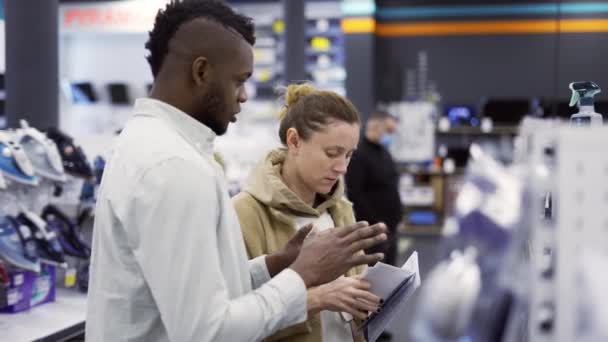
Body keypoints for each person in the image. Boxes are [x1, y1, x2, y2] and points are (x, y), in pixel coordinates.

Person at [85, 2, 387, 342]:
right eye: (239, 80)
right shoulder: (175, 167)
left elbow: (201, 291)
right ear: (201, 72)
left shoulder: (154, 147)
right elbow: (209, 331)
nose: (243, 96)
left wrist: (273, 264)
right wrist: (301, 277)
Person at [234, 84, 381, 342]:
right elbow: (232, 320)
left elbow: (355, 297)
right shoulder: (244, 213)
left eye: (348, 155)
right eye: (332, 153)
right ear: (294, 141)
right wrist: (317, 299)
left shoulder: (341, 209)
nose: (342, 168)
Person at [345, 111, 402, 267]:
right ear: (376, 126)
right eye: (389, 131)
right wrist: (376, 223)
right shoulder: (359, 154)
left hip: (391, 228)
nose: (390, 135)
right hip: (373, 231)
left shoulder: (384, 152)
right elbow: (355, 194)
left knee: (392, 275)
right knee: (375, 279)